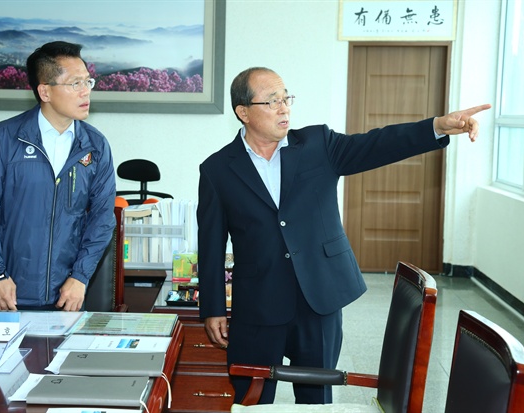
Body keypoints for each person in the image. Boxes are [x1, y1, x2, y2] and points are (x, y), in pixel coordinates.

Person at [197, 66, 491, 404]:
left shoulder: (317, 144)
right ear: (243, 112)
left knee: (317, 397)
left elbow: (378, 143)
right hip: (258, 303)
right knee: (249, 398)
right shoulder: (218, 169)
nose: (284, 108)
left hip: (319, 296)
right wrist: (213, 308)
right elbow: (211, 244)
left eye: (286, 98)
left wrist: (436, 126)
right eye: (272, 101)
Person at [0, 41, 116, 311]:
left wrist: (80, 276)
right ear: (45, 91)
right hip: (5, 294)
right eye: (75, 83)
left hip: (66, 297)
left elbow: (102, 218)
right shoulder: (2, 139)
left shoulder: (95, 146)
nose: (86, 92)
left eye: (88, 82)